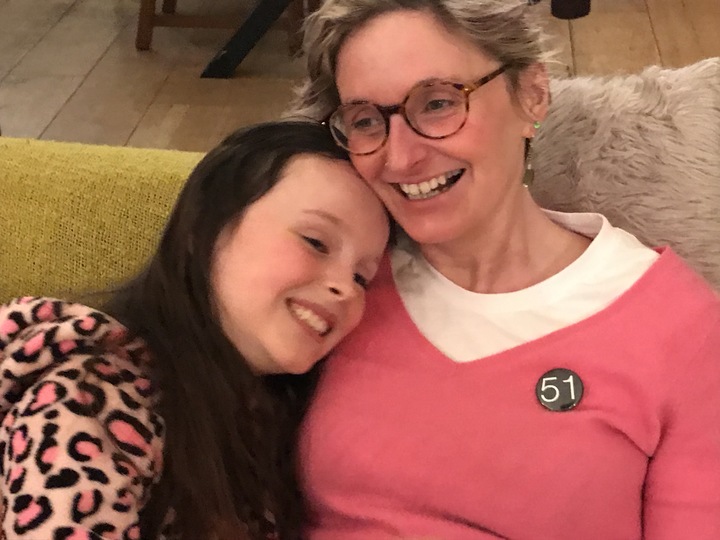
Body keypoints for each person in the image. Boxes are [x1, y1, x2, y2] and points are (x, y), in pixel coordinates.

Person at [287, 1, 720, 538]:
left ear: (532, 95)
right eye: (366, 121)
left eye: (438, 103)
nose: (399, 158)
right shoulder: (335, 284)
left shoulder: (681, 331)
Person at [0, 121, 389, 539]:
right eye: (315, 241)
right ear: (204, 228)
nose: (344, 287)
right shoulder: (90, 399)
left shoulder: (271, 419)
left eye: (362, 277)